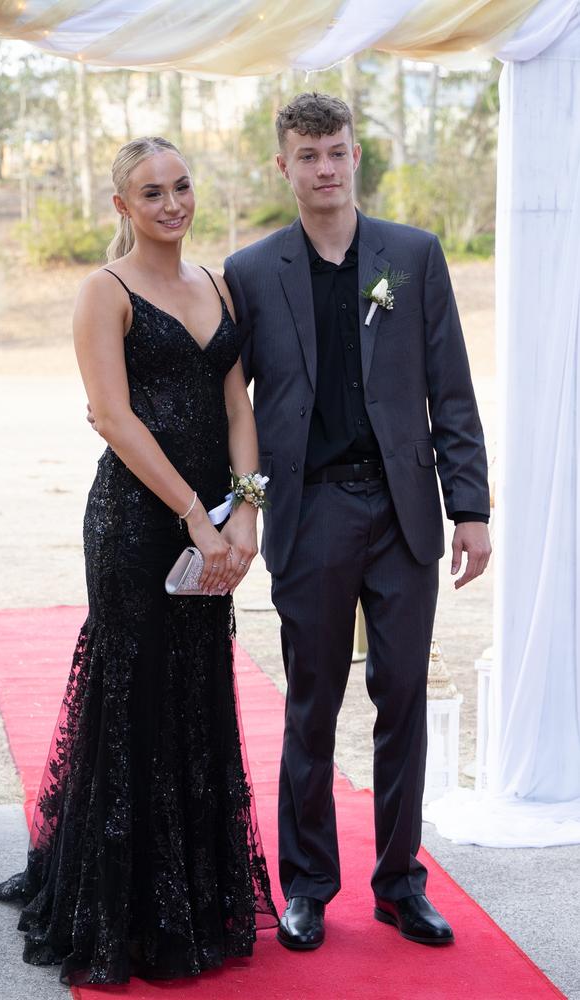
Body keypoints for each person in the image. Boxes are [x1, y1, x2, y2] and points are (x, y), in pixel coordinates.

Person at [0, 135, 277, 986]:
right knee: (133, 693)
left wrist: (248, 510)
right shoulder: (102, 291)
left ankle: (191, 893)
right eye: (151, 193)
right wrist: (195, 516)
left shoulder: (216, 284)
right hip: (136, 525)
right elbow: (112, 416)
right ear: (122, 206)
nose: (172, 204)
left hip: (216, 527)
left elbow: (237, 406)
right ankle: (119, 905)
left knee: (196, 689)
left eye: (182, 186)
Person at [223, 93, 492, 951]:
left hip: (404, 509)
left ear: (356, 154)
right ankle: (307, 887)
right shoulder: (252, 271)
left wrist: (472, 506)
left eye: (337, 151)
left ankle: (400, 884)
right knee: (311, 704)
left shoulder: (413, 255)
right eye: (308, 157)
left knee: (403, 699)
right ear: (284, 167)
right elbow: (227, 401)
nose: (326, 168)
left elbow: (449, 386)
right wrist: (236, 507)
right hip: (311, 510)